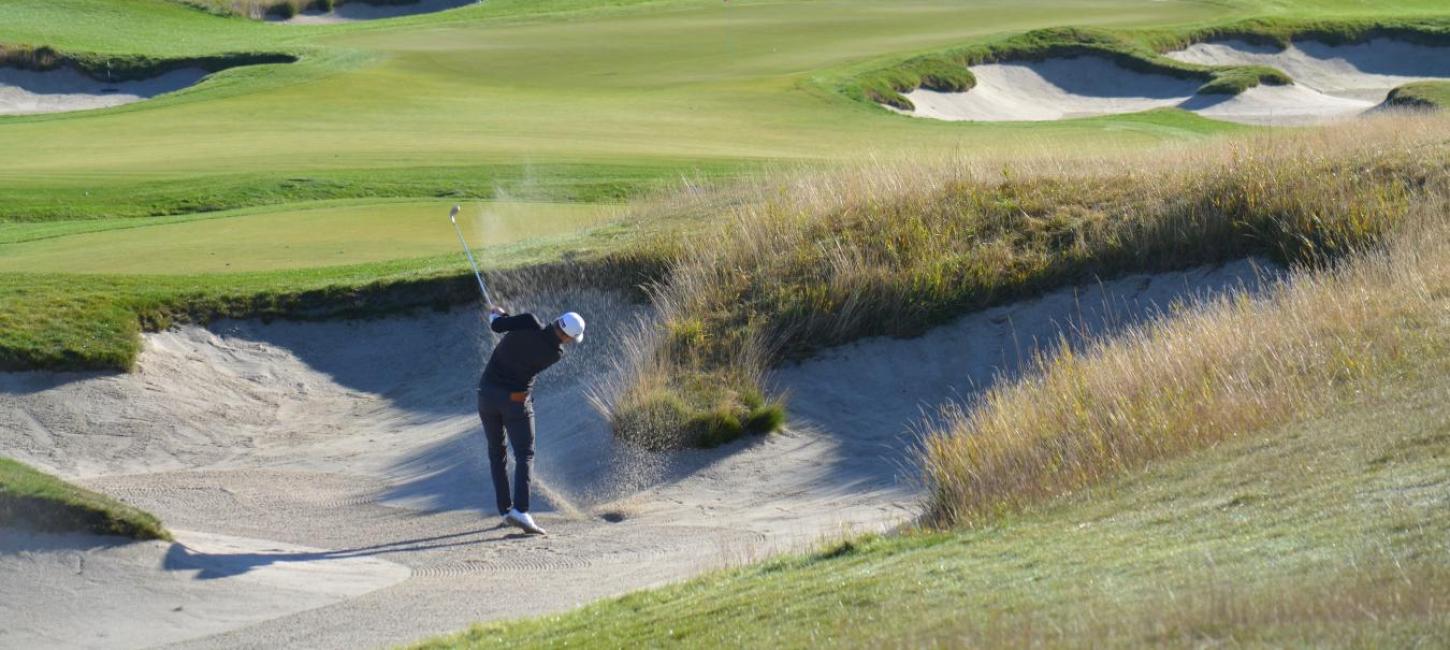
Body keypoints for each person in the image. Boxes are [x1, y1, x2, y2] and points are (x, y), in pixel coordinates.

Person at [477, 306, 586, 535]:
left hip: (486, 396)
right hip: (516, 403)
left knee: (497, 453)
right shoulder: (555, 353)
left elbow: (497, 326)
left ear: (557, 319)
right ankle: (521, 510)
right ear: (566, 337)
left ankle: (506, 511)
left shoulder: (528, 321)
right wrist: (504, 320)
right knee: (525, 454)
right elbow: (528, 339)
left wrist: (498, 315)